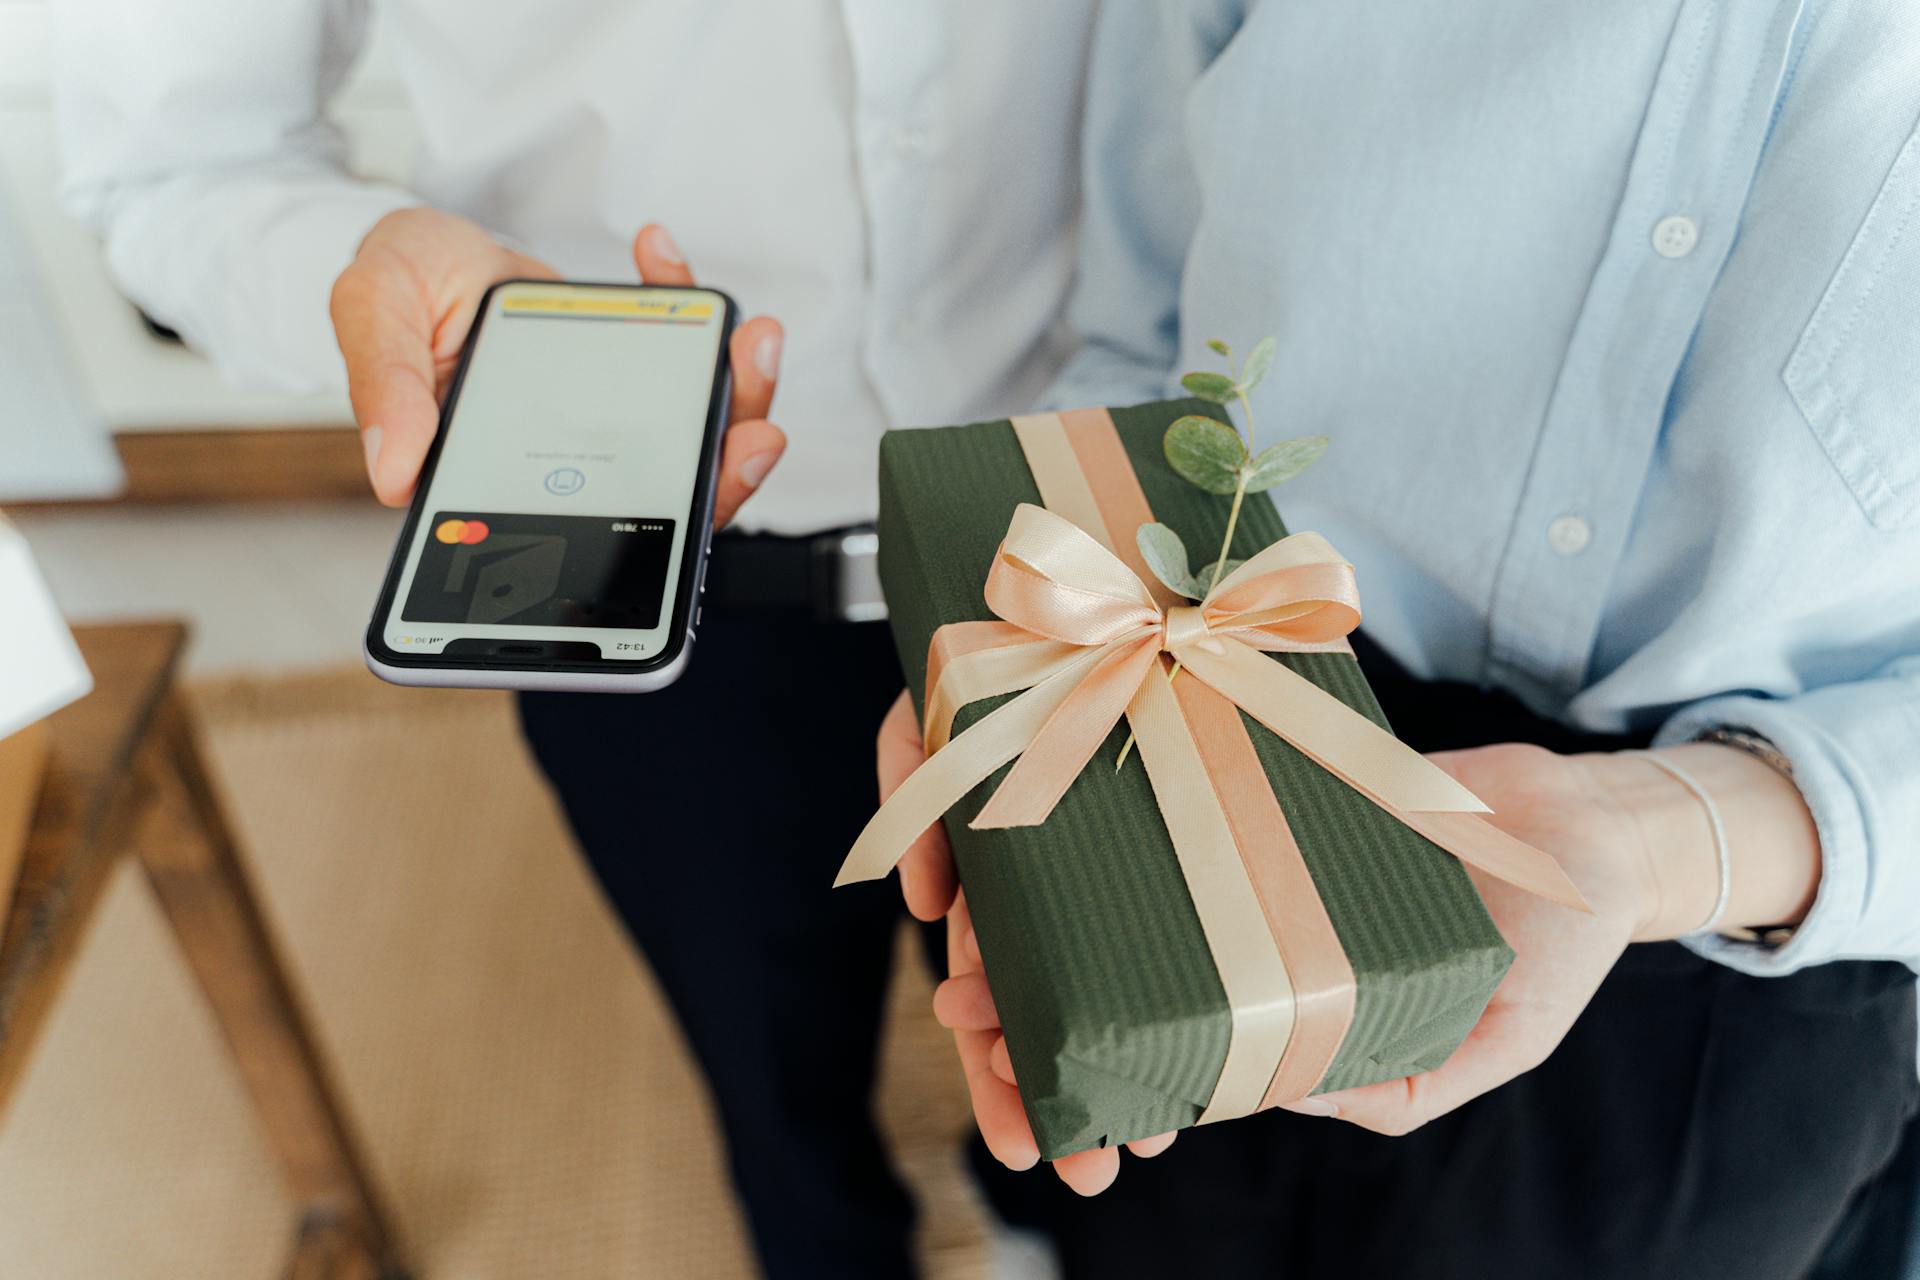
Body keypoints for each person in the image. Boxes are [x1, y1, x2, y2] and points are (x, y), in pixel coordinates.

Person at [53, 3, 1099, 1274]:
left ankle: (1056, 1221)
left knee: (1087, 1020)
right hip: (633, 534)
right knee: (765, 1050)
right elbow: (173, 160)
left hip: (1085, 504)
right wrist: (365, 257)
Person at [882, 2, 1920, 1276]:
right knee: (1145, 1216)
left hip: (1750, 891)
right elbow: (1138, 326)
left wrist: (1667, 835)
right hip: (1206, 704)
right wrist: (1020, 633)